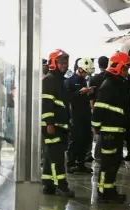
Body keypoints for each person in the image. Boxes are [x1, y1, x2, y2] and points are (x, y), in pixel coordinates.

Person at [91, 52, 130, 203]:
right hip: (110, 132)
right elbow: (99, 108)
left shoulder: (118, 83)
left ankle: (110, 189)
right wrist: (96, 127)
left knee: (114, 162)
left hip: (117, 131)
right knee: (107, 163)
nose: (126, 72)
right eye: (125, 69)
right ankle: (103, 191)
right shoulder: (109, 84)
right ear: (117, 67)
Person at [41, 49, 74, 197]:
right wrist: (49, 123)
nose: (64, 65)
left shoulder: (58, 79)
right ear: (54, 63)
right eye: (61, 62)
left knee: (50, 155)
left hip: (58, 125)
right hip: (52, 125)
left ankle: (48, 184)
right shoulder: (50, 80)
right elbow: (46, 103)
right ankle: (61, 185)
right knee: (57, 157)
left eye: (65, 62)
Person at [64, 58, 94, 174]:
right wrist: (80, 92)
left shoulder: (83, 81)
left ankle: (80, 163)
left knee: (85, 139)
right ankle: (70, 163)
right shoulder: (69, 82)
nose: (86, 74)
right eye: (85, 72)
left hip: (85, 114)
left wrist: (89, 93)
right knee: (75, 140)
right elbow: (67, 97)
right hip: (75, 115)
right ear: (80, 69)